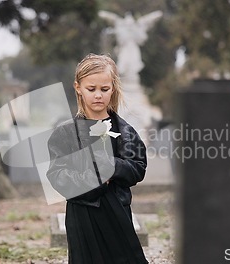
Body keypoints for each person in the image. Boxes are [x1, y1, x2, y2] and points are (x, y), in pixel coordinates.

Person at [47, 53, 148, 264]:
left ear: (113, 88)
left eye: (105, 89)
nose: (98, 95)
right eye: (91, 89)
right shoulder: (65, 134)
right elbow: (57, 175)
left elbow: (137, 167)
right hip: (82, 214)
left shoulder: (125, 132)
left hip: (117, 211)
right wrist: (95, 178)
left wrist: (111, 167)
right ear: (78, 88)